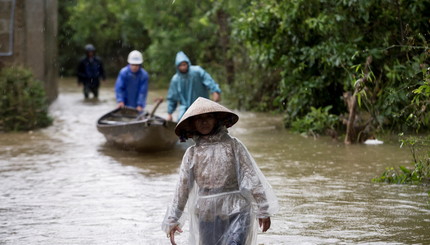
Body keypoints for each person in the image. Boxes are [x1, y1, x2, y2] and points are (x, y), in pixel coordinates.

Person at [162, 97, 279, 245]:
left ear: (216, 119)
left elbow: (251, 177)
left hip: (237, 210)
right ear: (193, 124)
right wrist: (173, 219)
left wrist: (263, 209)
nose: (204, 122)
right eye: (199, 118)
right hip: (207, 213)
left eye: (208, 117)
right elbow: (182, 189)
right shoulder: (192, 153)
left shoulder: (233, 146)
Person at [166, 51, 222, 121]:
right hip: (186, 109)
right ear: (177, 67)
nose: (183, 67)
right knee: (181, 122)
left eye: (184, 64)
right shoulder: (175, 79)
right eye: (180, 65)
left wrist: (215, 91)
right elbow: (172, 97)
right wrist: (169, 113)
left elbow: (209, 81)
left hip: (202, 105)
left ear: (188, 63)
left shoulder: (197, 71)